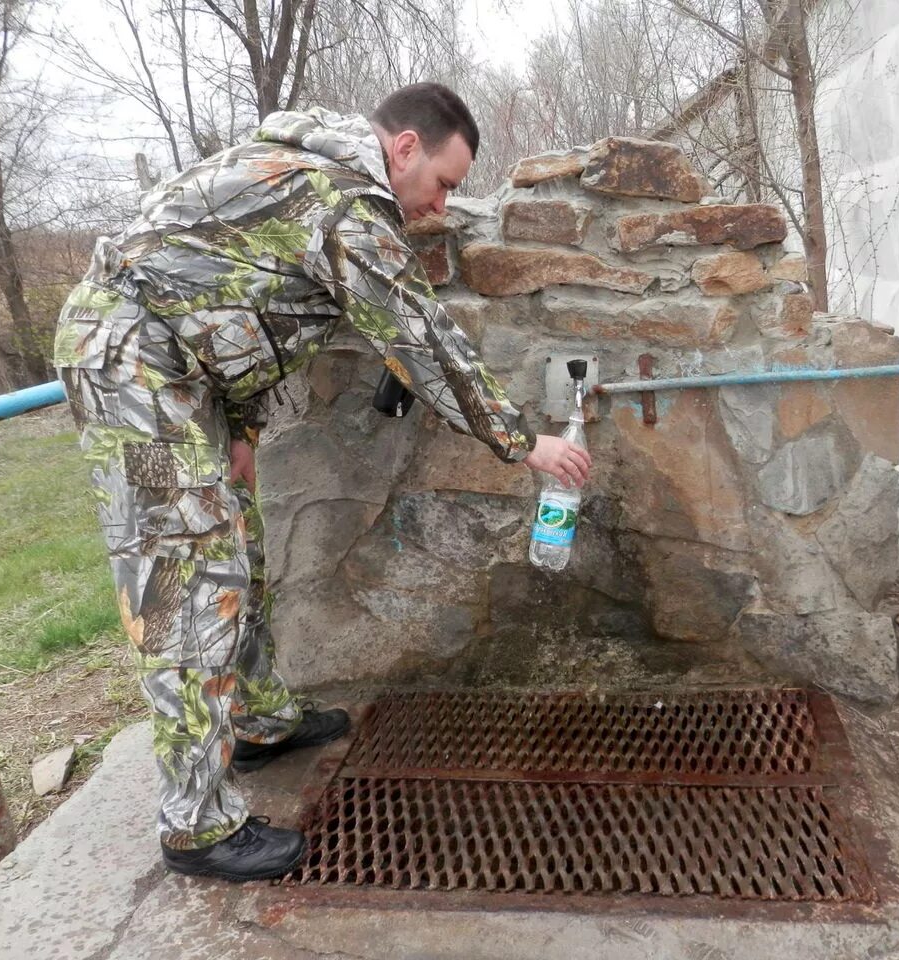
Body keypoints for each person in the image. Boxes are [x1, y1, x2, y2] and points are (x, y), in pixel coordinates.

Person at [51, 82, 592, 882]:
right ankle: (196, 826)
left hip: (181, 376)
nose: (440, 205)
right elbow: (421, 338)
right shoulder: (340, 198)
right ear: (404, 148)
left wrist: (238, 427)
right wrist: (523, 444)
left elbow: (228, 294)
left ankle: (258, 719)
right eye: (444, 181)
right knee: (187, 584)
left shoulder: (307, 172)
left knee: (240, 548)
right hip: (133, 372)